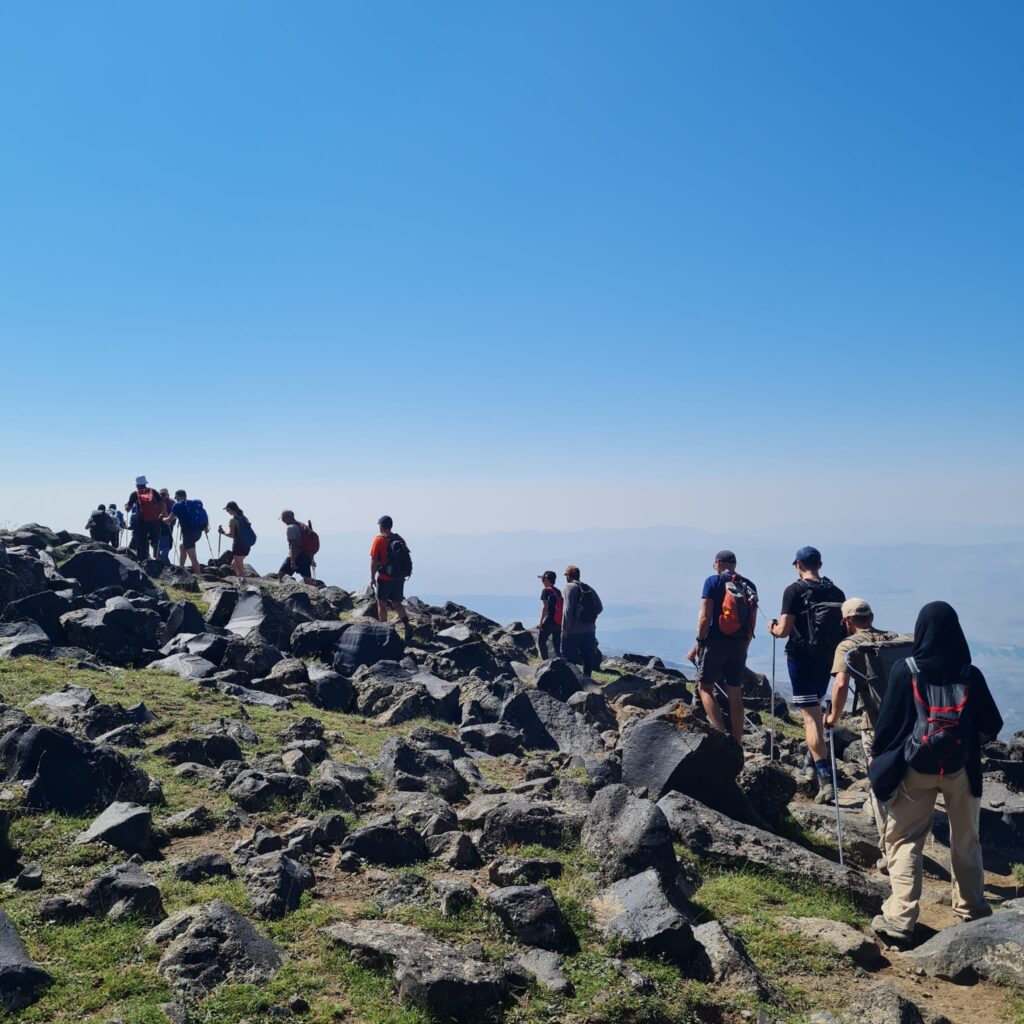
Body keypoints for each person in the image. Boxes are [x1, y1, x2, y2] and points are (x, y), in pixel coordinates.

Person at [869, 601, 1003, 943]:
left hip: (915, 768)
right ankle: (972, 910)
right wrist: (965, 744)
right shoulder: (970, 673)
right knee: (966, 841)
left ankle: (900, 919)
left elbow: (887, 726)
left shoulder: (906, 669)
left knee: (905, 841)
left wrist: (883, 761)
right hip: (960, 770)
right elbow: (993, 723)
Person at [823, 598, 908, 871]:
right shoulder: (895, 639)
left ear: (847, 621)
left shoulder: (848, 645)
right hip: (906, 720)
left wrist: (832, 718)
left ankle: (889, 850)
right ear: (871, 616)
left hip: (875, 723)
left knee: (881, 779)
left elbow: (840, 684)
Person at [769, 546, 846, 804]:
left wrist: (772, 628)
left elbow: (784, 630)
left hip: (801, 658)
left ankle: (826, 779)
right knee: (816, 711)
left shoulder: (794, 590)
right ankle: (809, 769)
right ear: (820, 564)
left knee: (811, 717)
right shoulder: (836, 592)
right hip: (827, 658)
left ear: (799, 565)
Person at [686, 550, 757, 744]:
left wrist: (698, 644)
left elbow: (704, 617)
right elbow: (752, 622)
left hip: (715, 642)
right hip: (740, 644)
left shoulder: (713, 582)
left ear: (718, 563)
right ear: (734, 564)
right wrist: (745, 646)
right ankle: (737, 740)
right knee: (735, 693)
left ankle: (721, 736)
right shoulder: (749, 585)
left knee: (705, 688)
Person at [561, 565, 603, 677]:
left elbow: (567, 610)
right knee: (587, 657)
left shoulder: (569, 587)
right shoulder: (588, 587)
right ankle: (587, 681)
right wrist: (589, 619)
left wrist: (565, 628)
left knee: (566, 657)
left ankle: (570, 681)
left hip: (574, 631)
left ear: (568, 576)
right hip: (589, 630)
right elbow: (599, 607)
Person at [370, 515, 411, 627]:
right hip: (399, 577)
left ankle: (384, 628)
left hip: (384, 578)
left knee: (381, 604)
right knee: (397, 604)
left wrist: (372, 577)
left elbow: (374, 561)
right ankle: (407, 625)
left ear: (381, 526)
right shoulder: (399, 538)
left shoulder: (378, 540)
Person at [161, 489, 208, 574]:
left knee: (193, 557)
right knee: (182, 547)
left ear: (178, 496)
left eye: (175, 496)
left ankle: (199, 576)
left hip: (188, 533)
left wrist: (162, 518)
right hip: (198, 532)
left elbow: (169, 520)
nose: (174, 498)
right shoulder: (192, 504)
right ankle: (181, 568)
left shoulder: (177, 506)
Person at [124, 476, 163, 561]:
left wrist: (126, 505)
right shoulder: (153, 491)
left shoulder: (135, 494)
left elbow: (128, 509)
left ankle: (142, 560)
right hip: (154, 519)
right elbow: (162, 503)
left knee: (141, 539)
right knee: (154, 538)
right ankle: (155, 549)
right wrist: (159, 514)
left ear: (137, 485)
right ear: (145, 483)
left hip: (141, 520)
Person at [276, 510, 314, 585]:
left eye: (283, 518)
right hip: (306, 556)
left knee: (280, 576)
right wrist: (311, 558)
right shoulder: (302, 526)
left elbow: (293, 544)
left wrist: (292, 561)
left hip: (295, 556)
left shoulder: (290, 528)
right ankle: (315, 595)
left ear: (288, 517)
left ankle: (280, 593)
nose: (283, 521)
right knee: (308, 580)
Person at [219, 501, 253, 578]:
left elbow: (232, 535)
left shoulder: (233, 520)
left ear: (231, 509)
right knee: (234, 565)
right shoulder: (244, 518)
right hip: (247, 545)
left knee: (241, 572)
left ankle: (243, 585)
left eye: (227, 510)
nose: (227, 512)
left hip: (238, 546)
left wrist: (223, 532)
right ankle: (240, 581)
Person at [536, 571, 563, 659]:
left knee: (541, 641)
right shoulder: (558, 591)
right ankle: (560, 663)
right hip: (558, 621)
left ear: (547, 579)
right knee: (556, 644)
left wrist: (541, 623)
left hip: (549, 620)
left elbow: (545, 607)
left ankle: (545, 663)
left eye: (543, 579)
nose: (542, 582)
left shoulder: (546, 590)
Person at [157, 488, 174, 563]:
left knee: (162, 544)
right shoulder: (172, 502)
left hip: (158, 525)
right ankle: (163, 559)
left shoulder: (157, 502)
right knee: (167, 545)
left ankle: (162, 558)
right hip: (168, 525)